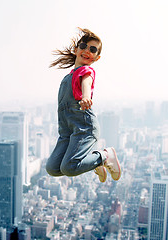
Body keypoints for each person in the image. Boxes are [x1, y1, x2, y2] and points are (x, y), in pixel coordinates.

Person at [45, 28, 121, 183]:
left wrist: (86, 97)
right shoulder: (69, 76)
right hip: (67, 131)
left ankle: (104, 156)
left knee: (69, 168)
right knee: (52, 168)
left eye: (92, 49)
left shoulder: (86, 71)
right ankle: (92, 161)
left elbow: (86, 82)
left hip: (84, 127)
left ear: (96, 58)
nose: (87, 50)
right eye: (84, 46)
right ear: (76, 49)